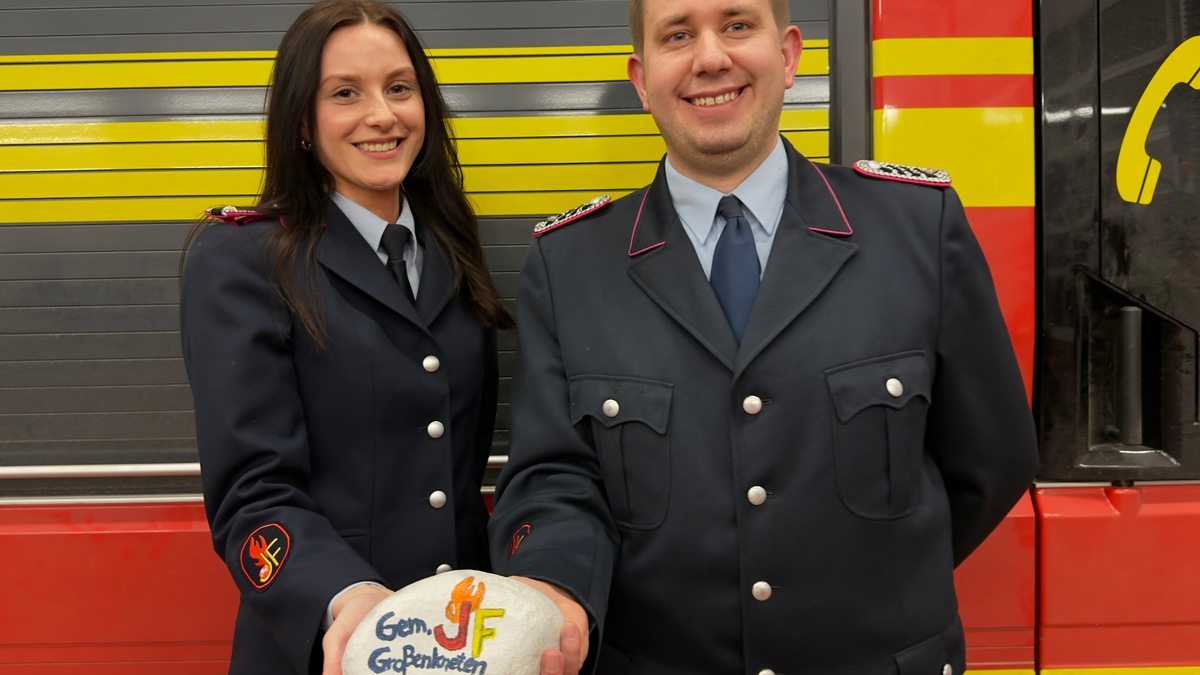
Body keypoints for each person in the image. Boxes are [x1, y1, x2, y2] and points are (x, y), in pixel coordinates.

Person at [489, 0, 1040, 672]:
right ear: (642, 79)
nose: (711, 56)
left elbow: (993, 458)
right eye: (678, 35)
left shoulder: (917, 227)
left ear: (788, 55)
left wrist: (879, 569)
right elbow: (554, 476)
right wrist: (558, 586)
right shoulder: (569, 264)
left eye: (737, 24)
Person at [179, 1, 512, 673]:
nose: (382, 115)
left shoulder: (450, 248)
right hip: (325, 644)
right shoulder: (242, 260)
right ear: (304, 121)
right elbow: (253, 494)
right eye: (345, 94)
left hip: (462, 644)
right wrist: (349, 600)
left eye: (399, 87)